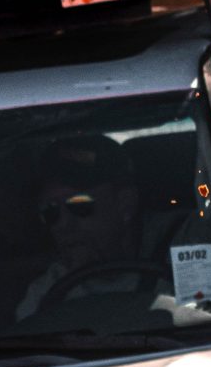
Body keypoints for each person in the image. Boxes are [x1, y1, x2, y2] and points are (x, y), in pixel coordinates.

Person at [14, 135, 146, 321]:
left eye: (79, 205)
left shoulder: (182, 250)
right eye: (50, 211)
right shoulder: (46, 293)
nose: (63, 224)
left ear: (125, 204)